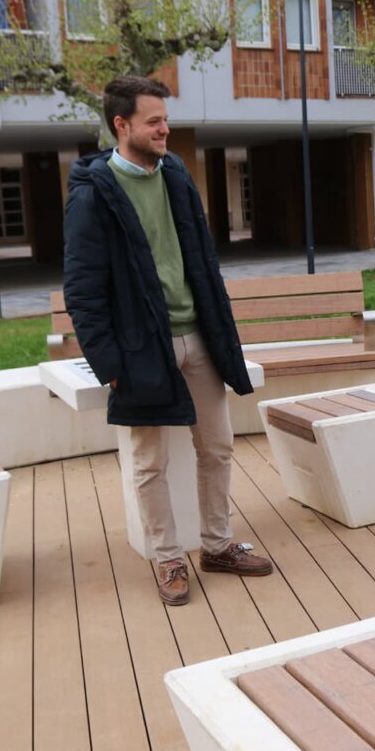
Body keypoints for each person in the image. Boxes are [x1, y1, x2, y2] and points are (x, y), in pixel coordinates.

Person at [63, 76, 274, 607]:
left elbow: (201, 260)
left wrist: (219, 330)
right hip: (141, 351)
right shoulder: (93, 196)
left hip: (198, 338)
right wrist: (110, 363)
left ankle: (218, 546)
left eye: (165, 118)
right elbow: (83, 291)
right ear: (122, 124)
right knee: (149, 461)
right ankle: (168, 558)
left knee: (218, 447)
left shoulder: (177, 175)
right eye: (154, 121)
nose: (165, 128)